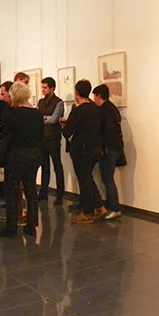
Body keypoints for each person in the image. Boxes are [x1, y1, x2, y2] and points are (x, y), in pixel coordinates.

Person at [0, 82, 43, 239]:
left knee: (12, 189)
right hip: (35, 154)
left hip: (16, 154)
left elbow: (5, 134)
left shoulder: (13, 114)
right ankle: (31, 225)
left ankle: (11, 228)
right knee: (31, 189)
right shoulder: (37, 114)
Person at [61, 80, 107, 224]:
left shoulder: (78, 110)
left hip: (81, 149)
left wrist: (64, 126)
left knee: (84, 180)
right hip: (95, 148)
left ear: (76, 93)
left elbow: (67, 133)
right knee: (87, 178)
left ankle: (87, 213)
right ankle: (100, 207)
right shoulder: (95, 109)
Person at [93, 84, 124, 220]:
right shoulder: (112, 108)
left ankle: (115, 208)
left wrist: (102, 147)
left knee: (107, 178)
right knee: (107, 178)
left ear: (99, 96)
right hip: (114, 148)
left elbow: (106, 131)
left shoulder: (104, 111)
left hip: (108, 149)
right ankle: (112, 206)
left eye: (95, 97)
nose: (94, 99)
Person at [37, 77, 65, 205]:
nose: (43, 90)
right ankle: (43, 193)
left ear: (52, 89)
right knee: (45, 167)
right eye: (42, 87)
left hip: (53, 138)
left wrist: (43, 118)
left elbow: (54, 119)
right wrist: (45, 118)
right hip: (42, 137)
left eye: (45, 87)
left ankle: (60, 195)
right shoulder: (41, 102)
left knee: (57, 166)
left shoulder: (58, 102)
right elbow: (38, 118)